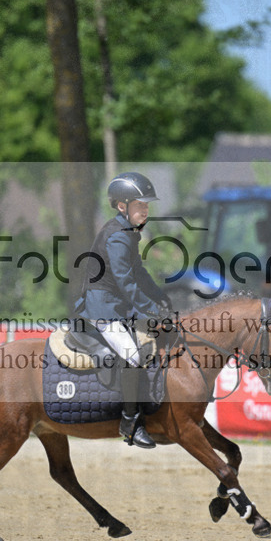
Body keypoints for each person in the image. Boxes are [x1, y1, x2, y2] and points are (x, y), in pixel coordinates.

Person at [76, 172, 172, 448]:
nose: (145, 210)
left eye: (147, 205)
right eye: (140, 205)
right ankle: (129, 422)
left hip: (119, 305)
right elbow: (126, 282)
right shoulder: (118, 236)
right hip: (104, 308)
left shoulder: (127, 232)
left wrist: (160, 297)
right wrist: (152, 310)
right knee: (131, 356)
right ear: (122, 206)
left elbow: (138, 273)